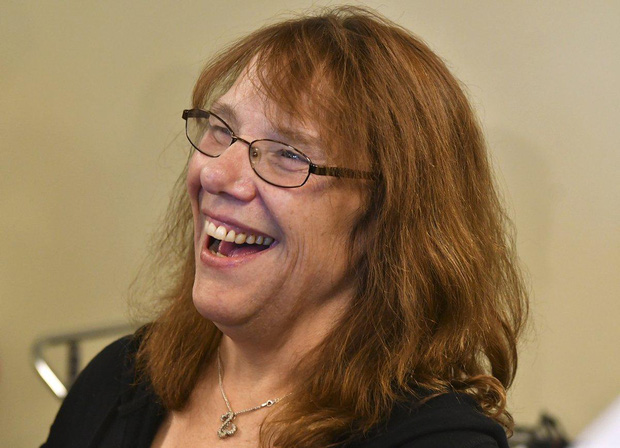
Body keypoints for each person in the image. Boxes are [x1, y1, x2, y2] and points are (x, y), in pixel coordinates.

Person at [42, 6, 527, 448]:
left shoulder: (438, 440)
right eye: (222, 129)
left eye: (289, 154)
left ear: (389, 219)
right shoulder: (119, 378)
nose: (217, 174)